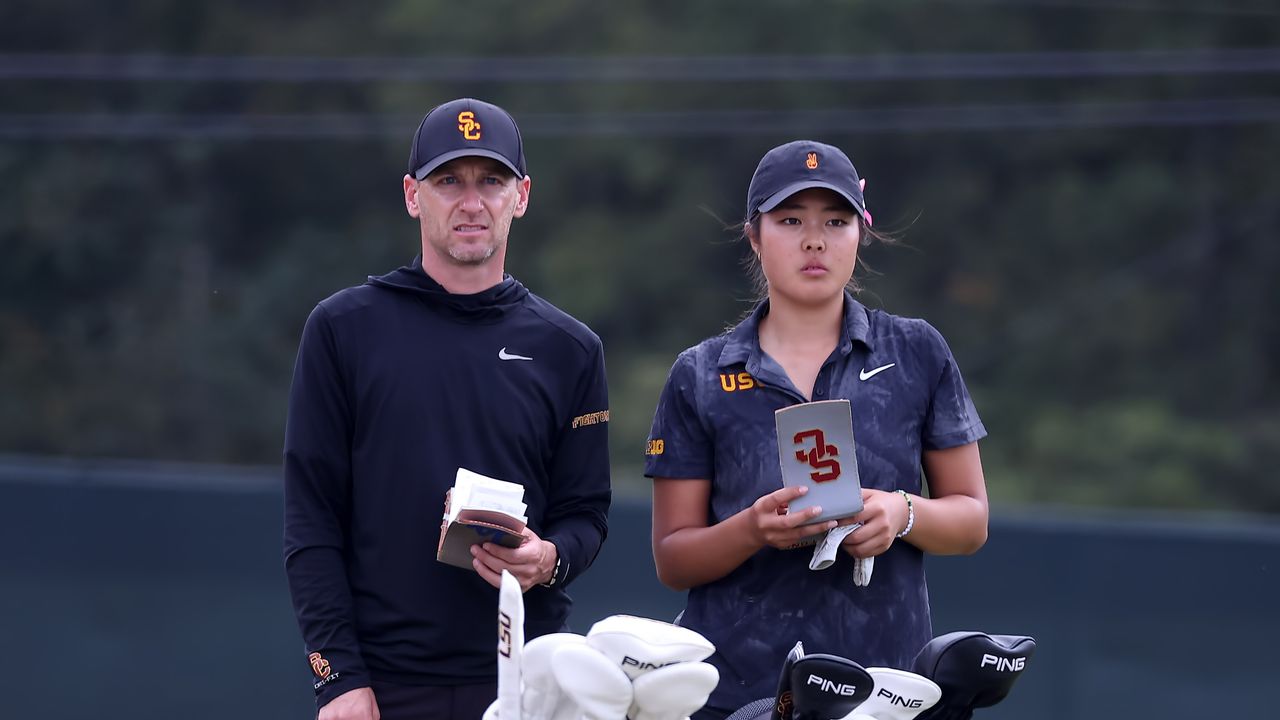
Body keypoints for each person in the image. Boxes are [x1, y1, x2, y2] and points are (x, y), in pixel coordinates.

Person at [284, 97, 611, 720]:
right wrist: (338, 679)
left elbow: (586, 514)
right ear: (413, 195)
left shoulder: (571, 348)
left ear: (522, 196)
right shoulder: (343, 329)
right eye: (448, 181)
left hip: (529, 681)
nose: (471, 201)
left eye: (491, 181)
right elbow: (311, 521)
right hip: (383, 687)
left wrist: (548, 559)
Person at [645, 140, 989, 718]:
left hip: (884, 691)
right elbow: (673, 559)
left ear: (862, 230)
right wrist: (753, 529)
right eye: (789, 220)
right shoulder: (700, 374)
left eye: (835, 220)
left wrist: (902, 513)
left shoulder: (917, 352)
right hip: (735, 694)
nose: (814, 240)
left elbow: (971, 519)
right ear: (754, 236)